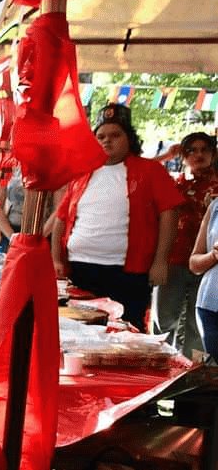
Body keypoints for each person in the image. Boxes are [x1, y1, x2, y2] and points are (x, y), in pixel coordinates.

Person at [51, 104, 183, 331]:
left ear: (129, 138)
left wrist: (160, 261)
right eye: (100, 136)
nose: (107, 141)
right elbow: (60, 219)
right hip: (79, 269)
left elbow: (169, 213)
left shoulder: (150, 170)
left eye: (115, 135)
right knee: (77, 332)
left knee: (127, 334)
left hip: (127, 273)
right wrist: (56, 259)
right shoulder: (82, 173)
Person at [154, 132, 218, 358]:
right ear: (184, 155)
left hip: (209, 265)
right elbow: (141, 172)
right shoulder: (175, 184)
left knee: (196, 325)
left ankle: (193, 377)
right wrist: (166, 156)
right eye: (192, 150)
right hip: (175, 260)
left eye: (205, 149)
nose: (199, 154)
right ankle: (159, 365)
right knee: (164, 319)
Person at [188, 199, 218, 358]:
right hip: (210, 307)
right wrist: (213, 255)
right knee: (211, 375)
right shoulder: (215, 206)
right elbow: (194, 264)